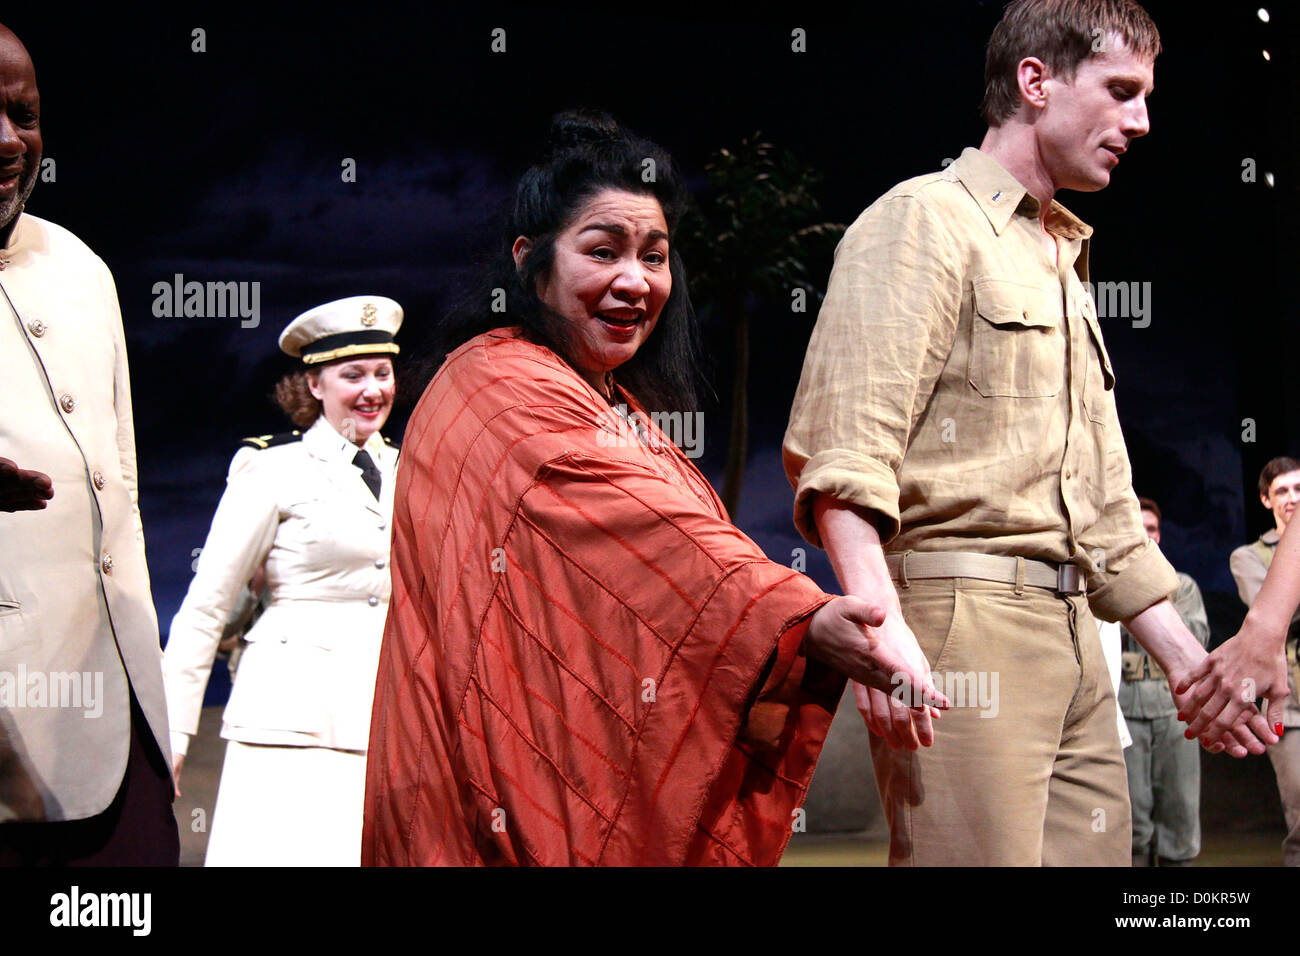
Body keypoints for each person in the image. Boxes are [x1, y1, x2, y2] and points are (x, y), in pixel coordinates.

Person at [363, 111, 947, 867]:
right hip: (477, 791)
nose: (635, 281)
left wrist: (797, 619)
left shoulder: (616, 406)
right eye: (602, 251)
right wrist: (801, 618)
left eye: (656, 256)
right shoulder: (491, 382)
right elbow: (646, 539)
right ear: (530, 262)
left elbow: (665, 557)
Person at [782, 0, 1275, 866]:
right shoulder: (923, 219)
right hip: (962, 621)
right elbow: (846, 450)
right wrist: (879, 622)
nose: (1142, 121)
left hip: (1081, 636)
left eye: (1146, 96)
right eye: (1121, 90)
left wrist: (1192, 669)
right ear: (1036, 81)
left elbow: (1107, 513)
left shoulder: (1061, 261)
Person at [0, 24, 178, 865]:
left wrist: (155, 715)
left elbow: (127, 499)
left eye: (23, 113)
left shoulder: (80, 266)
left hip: (121, 731)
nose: (9, 141)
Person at [162, 296, 402, 865]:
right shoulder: (271, 469)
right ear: (315, 384)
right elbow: (206, 607)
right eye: (353, 375)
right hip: (286, 721)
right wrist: (171, 734)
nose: (373, 390)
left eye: (382, 373)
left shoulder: (411, 467)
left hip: (381, 716)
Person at [1120, 497, 1209, 866]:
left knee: (1180, 813)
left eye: (1152, 529)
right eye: (1138, 529)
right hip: (1125, 712)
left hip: (1177, 712)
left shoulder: (1182, 586)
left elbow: (1197, 638)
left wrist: (1152, 593)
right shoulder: (1111, 588)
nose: (1146, 535)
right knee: (1133, 819)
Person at [1228, 457, 1300, 865]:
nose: (1293, 499)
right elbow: (1273, 617)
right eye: (1283, 491)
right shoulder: (1249, 556)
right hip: (1289, 703)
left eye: (1299, 489)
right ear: (1265, 499)